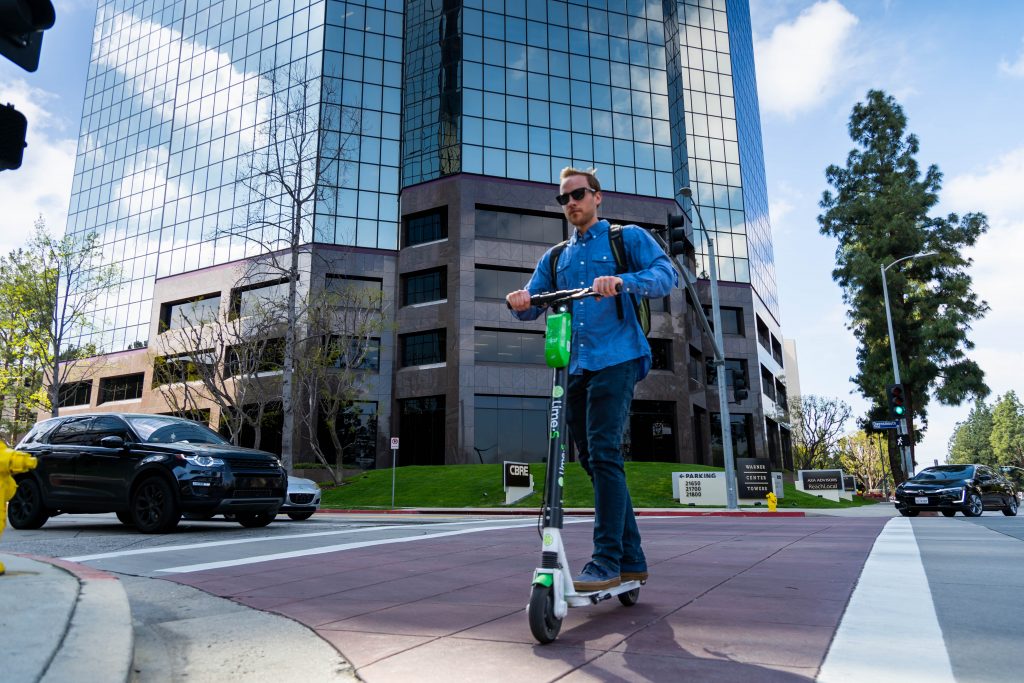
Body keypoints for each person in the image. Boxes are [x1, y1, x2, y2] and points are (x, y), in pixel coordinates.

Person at [506, 167, 676, 591]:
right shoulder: (556, 257)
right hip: (575, 365)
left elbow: (665, 274)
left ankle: (607, 561)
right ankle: (633, 560)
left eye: (578, 194)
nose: (571, 204)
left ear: (597, 197)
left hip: (617, 357)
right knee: (595, 461)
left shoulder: (626, 237)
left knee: (603, 453)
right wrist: (519, 300)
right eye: (564, 199)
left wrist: (623, 281)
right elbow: (531, 305)